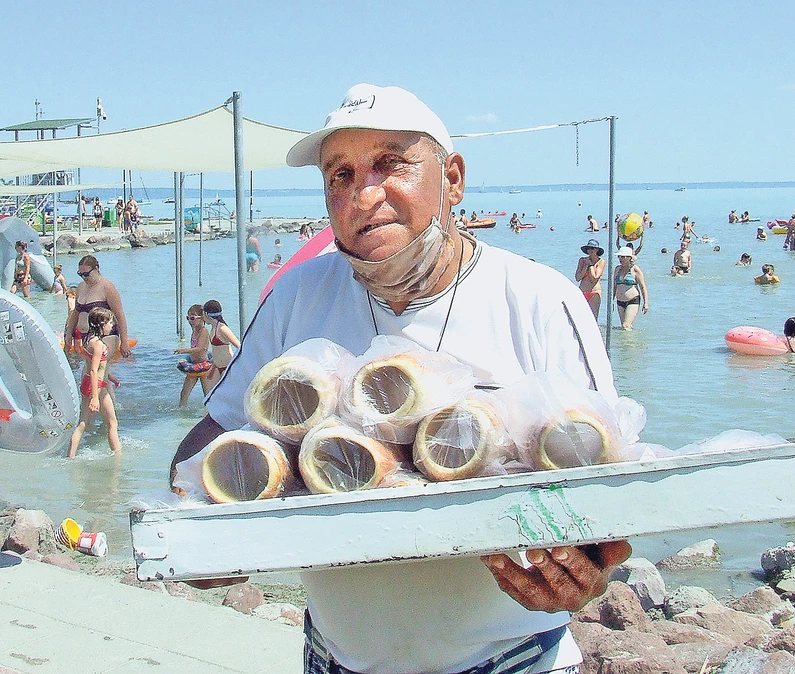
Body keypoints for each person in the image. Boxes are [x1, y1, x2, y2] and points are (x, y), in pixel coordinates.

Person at [170, 83, 629, 674]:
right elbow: (219, 434)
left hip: (515, 662)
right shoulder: (298, 293)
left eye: (391, 164)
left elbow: (606, 481)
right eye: (339, 174)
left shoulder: (539, 300)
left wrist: (585, 569)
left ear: (453, 180)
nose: (363, 194)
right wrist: (196, 524)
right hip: (336, 660)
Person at [68, 307, 120, 457]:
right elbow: (94, 370)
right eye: (110, 323)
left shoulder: (88, 340)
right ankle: (118, 456)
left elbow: (94, 366)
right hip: (96, 386)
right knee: (112, 423)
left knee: (83, 423)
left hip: (87, 383)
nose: (112, 326)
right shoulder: (98, 345)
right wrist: (96, 397)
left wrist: (110, 377)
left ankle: (70, 456)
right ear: (102, 325)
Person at [64, 255, 131, 362]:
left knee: (98, 365)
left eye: (86, 274)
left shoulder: (107, 287)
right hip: (87, 338)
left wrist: (124, 342)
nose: (84, 277)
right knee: (90, 372)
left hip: (107, 336)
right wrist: (68, 334)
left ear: (96, 269)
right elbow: (75, 314)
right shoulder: (81, 287)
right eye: (80, 274)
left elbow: (120, 316)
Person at [174, 305, 213, 407]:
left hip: (203, 368)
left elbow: (199, 348)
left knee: (207, 394)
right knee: (184, 393)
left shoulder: (204, 331)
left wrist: (183, 350)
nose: (190, 321)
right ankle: (182, 415)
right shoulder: (195, 330)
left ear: (202, 318)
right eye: (188, 318)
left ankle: (209, 414)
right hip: (193, 366)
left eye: (193, 318)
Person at [202, 299, 240, 388]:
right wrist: (212, 368)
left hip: (227, 367)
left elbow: (239, 346)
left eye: (203, 314)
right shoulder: (213, 328)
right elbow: (217, 351)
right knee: (212, 397)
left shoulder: (222, 328)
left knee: (227, 397)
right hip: (217, 367)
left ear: (206, 314)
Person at [613, 247, 649, 330]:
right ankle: (628, 342)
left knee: (626, 325)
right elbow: (614, 285)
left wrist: (646, 303)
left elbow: (643, 287)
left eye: (623, 257)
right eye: (619, 256)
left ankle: (628, 343)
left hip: (632, 300)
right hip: (619, 301)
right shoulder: (617, 269)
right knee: (625, 326)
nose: (620, 259)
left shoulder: (635, 269)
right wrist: (612, 300)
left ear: (629, 258)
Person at [574, 238, 606, 320]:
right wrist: (585, 266)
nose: (590, 250)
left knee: (593, 318)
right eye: (588, 248)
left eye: (592, 248)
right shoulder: (582, 260)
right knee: (580, 318)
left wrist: (591, 265)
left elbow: (594, 278)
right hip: (582, 291)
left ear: (597, 250)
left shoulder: (601, 262)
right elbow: (578, 278)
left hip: (594, 292)